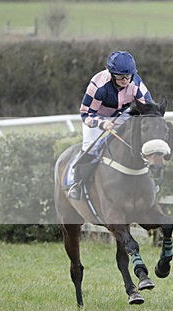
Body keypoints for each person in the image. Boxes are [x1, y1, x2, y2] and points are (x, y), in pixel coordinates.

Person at [66, 50, 153, 200]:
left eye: (128, 76)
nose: (125, 80)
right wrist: (102, 123)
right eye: (120, 76)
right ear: (111, 74)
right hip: (96, 117)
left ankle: (150, 179)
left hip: (121, 114)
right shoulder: (98, 85)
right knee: (90, 146)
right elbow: (86, 114)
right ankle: (77, 183)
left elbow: (148, 107)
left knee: (138, 138)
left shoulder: (136, 82)